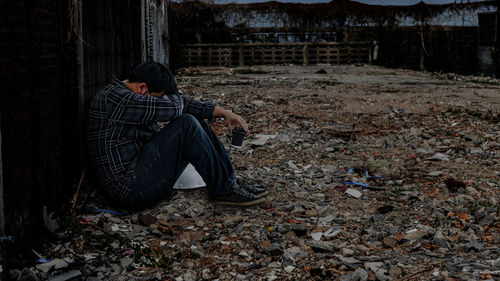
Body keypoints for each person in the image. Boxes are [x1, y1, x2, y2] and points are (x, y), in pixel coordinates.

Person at [87, 61, 267, 211]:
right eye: (159, 97)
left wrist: (222, 112)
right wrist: (177, 94)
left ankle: (229, 183)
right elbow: (174, 107)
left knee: (192, 119)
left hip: (138, 172)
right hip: (130, 189)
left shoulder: (129, 94)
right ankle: (224, 190)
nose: (159, 101)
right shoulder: (117, 99)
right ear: (142, 88)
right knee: (186, 123)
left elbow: (179, 104)